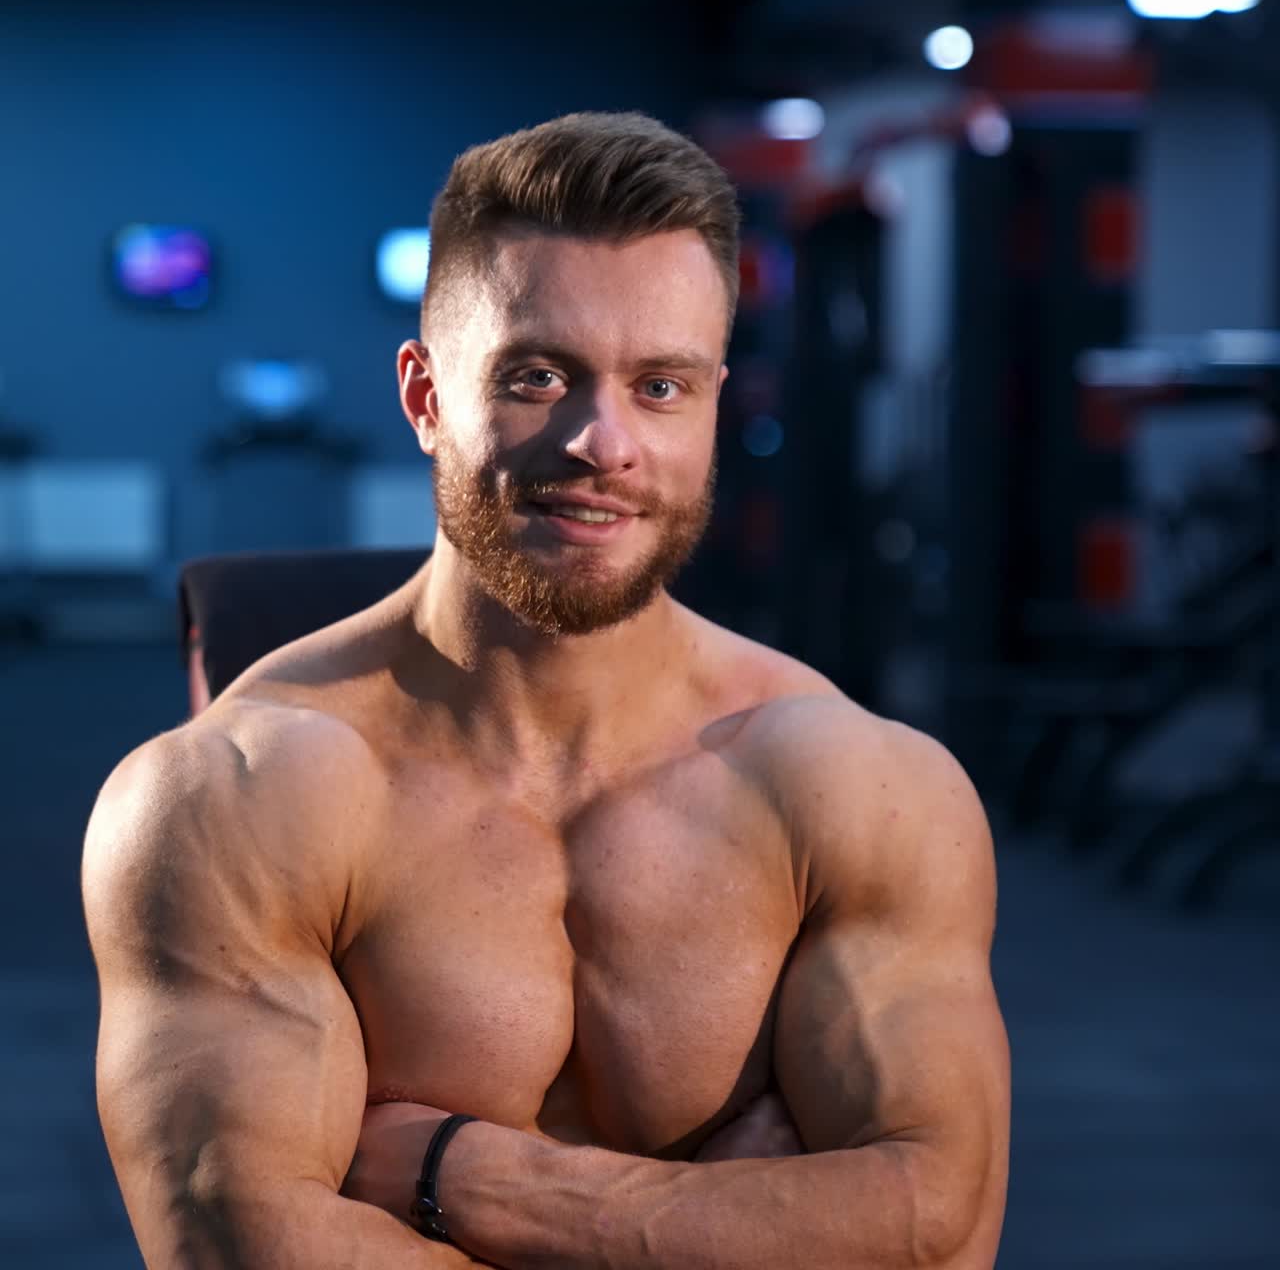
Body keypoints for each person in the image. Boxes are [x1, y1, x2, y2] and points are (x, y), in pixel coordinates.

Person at [83, 111, 1009, 1269]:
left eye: (660, 386)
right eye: (536, 375)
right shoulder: (235, 794)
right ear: (424, 397)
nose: (600, 441)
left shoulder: (858, 786)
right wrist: (756, 1225)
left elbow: (933, 1233)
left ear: (715, 403)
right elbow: (242, 1247)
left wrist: (460, 1174)